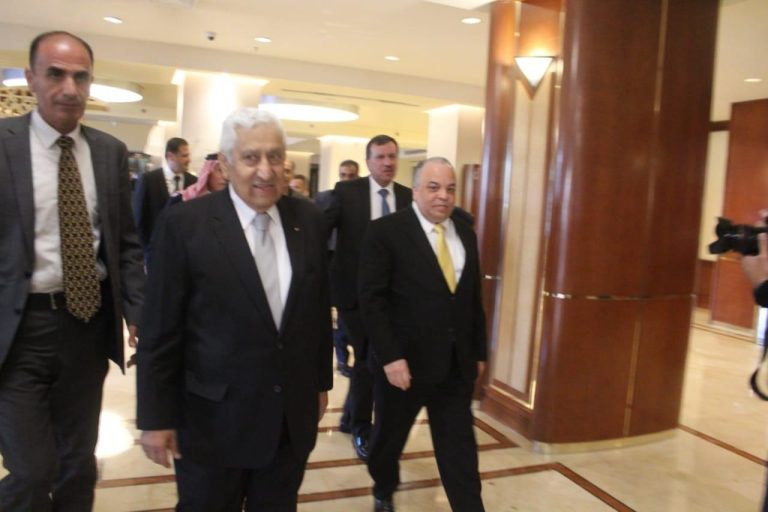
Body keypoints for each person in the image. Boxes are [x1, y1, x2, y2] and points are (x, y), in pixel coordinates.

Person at [136, 108, 332, 511]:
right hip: (212, 422)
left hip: (287, 421)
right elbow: (161, 328)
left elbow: (315, 311)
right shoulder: (185, 225)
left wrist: (319, 384)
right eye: (250, 157)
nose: (265, 171)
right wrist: (155, 417)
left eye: (274, 157)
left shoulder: (309, 220)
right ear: (224, 164)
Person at [0, 30, 145, 510]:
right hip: (19, 330)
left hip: (86, 325)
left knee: (78, 463)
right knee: (31, 469)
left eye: (81, 77)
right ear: (31, 79)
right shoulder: (4, 144)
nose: (69, 88)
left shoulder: (109, 152)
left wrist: (138, 311)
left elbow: (125, 243)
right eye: (56, 74)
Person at [359, 157, 487, 512]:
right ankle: (383, 486)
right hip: (404, 367)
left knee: (459, 448)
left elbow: (472, 299)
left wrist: (478, 351)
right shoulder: (386, 232)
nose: (443, 196)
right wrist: (390, 357)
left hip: (454, 366)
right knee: (388, 440)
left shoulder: (465, 232)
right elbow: (372, 300)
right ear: (415, 190)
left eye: (450, 189)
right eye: (433, 187)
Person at [324, 136, 411, 461]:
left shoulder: (406, 197)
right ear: (369, 160)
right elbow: (321, 232)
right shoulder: (347, 192)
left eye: (392, 156)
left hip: (392, 298)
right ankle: (362, 425)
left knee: (376, 358)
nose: (387, 162)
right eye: (381, 157)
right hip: (354, 295)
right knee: (366, 359)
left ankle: (352, 419)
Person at [315, 159, 360, 379]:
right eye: (343, 175)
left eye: (351, 176)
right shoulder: (325, 198)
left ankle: (349, 358)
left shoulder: (362, 200)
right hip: (329, 263)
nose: (346, 179)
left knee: (347, 320)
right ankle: (341, 359)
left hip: (355, 267)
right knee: (336, 319)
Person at [132, 137, 196, 257]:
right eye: (184, 156)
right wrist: (146, 253)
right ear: (170, 156)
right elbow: (139, 221)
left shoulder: (194, 182)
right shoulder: (148, 180)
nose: (189, 160)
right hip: (154, 252)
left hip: (185, 253)